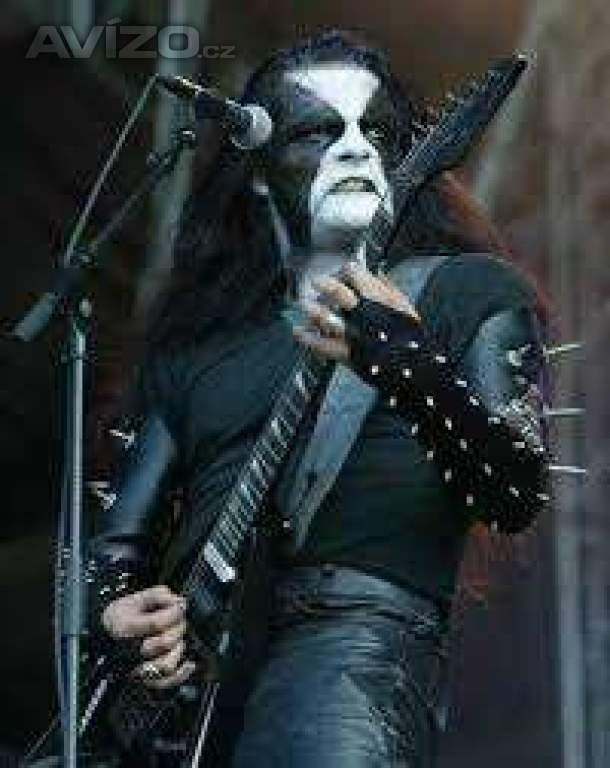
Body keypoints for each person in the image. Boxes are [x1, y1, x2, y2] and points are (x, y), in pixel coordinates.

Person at [88, 30, 548, 767]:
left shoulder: (467, 290)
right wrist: (118, 612)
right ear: (259, 168)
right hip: (187, 693)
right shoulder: (197, 342)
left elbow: (517, 488)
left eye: (378, 133)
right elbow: (117, 541)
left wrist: (405, 360)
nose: (356, 149)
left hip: (349, 649)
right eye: (318, 132)